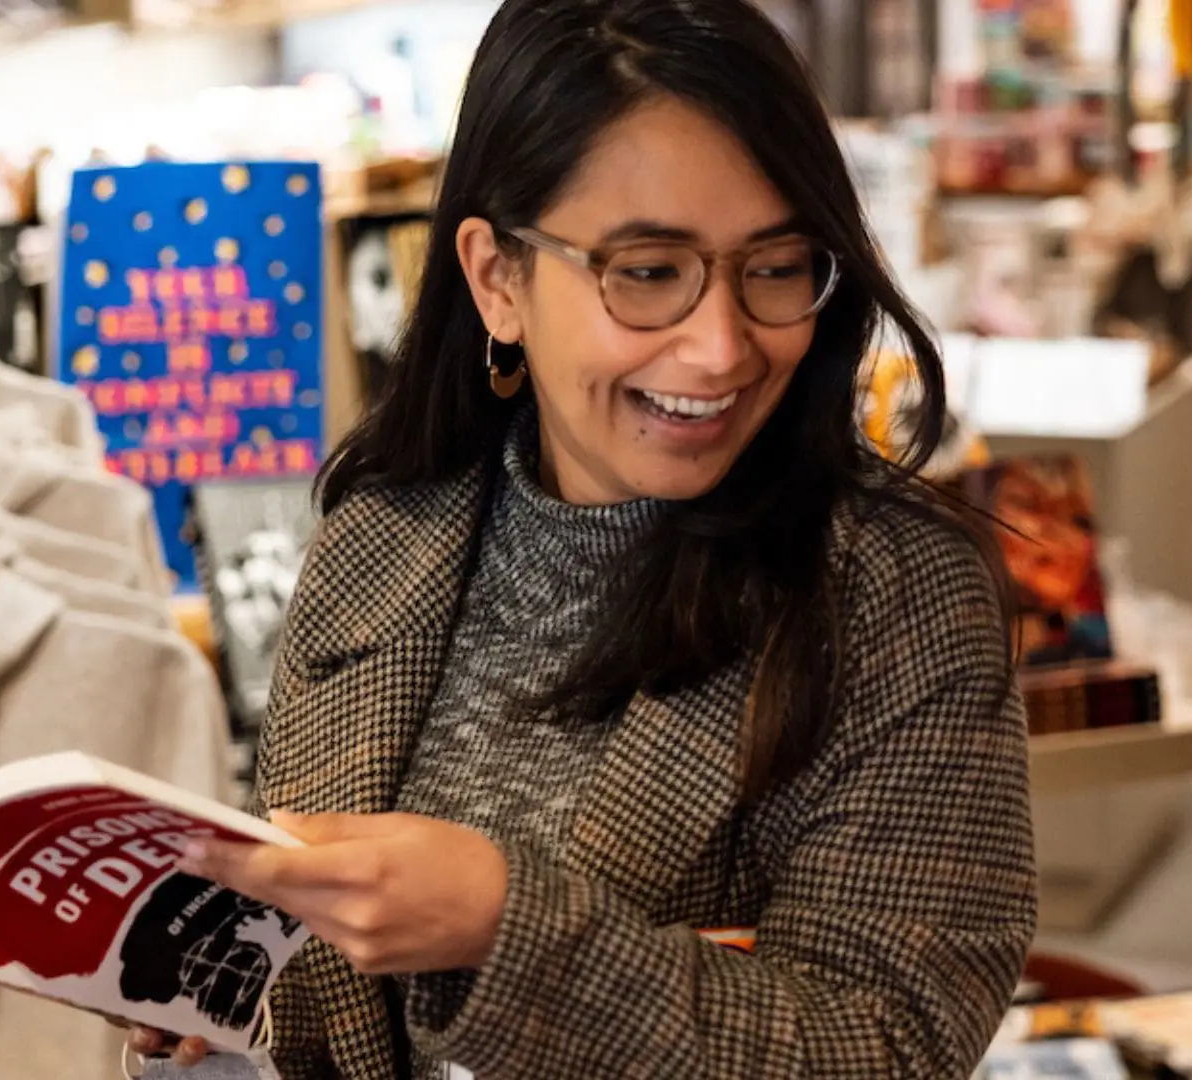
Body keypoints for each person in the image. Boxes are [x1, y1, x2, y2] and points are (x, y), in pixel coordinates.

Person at [132, 0, 1036, 1075]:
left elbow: (890, 1047)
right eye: (649, 274)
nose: (720, 348)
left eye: (777, 266)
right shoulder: (380, 538)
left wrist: (508, 935)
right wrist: (234, 1005)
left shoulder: (892, 598)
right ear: (495, 278)